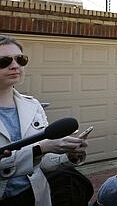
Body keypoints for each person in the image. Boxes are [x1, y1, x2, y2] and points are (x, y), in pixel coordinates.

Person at [0, 35, 92, 205]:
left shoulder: (33, 106)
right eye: (4, 61)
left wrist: (68, 155)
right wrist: (40, 149)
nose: (15, 66)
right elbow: (40, 151)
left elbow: (42, 163)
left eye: (20, 59)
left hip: (36, 196)